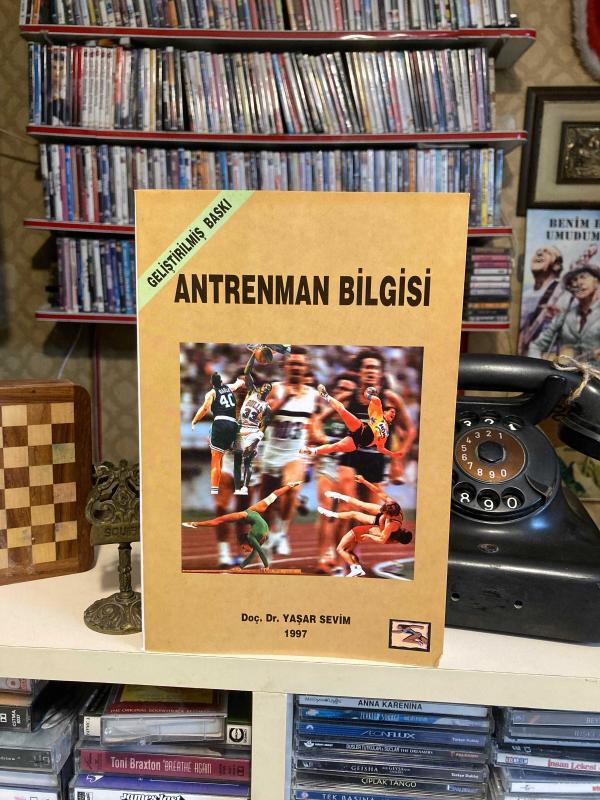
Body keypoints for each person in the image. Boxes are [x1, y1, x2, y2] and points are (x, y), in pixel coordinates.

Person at [260, 346, 321, 555]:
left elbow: (315, 423)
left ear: (306, 368)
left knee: (291, 488)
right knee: (267, 506)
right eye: (292, 363)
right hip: (272, 454)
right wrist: (284, 399)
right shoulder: (273, 389)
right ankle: (269, 537)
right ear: (284, 366)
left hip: (295, 454)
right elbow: (262, 420)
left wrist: (318, 439)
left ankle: (282, 533)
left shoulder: (313, 395)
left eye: (300, 364)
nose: (296, 367)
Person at [184, 481, 302, 570]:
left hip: (244, 515)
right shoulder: (256, 540)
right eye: (244, 549)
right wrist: (243, 567)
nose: (244, 550)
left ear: (246, 542)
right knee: (272, 497)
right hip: (253, 513)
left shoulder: (252, 537)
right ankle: (195, 523)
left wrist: (264, 566)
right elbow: (255, 553)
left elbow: (259, 553)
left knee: (218, 520)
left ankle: (195, 523)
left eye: (243, 548)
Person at [300, 385, 405, 459]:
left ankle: (312, 451)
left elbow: (380, 448)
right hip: (360, 428)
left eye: (394, 414)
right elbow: (371, 398)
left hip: (357, 443)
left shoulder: (385, 434)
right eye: (391, 411)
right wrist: (368, 393)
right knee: (342, 410)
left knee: (335, 447)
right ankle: (325, 395)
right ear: (385, 412)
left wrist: (392, 454)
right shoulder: (378, 413)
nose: (393, 413)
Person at [529, 264, 600, 366]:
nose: (578, 283)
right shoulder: (563, 317)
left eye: (583, 277)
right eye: (574, 280)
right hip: (567, 374)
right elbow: (535, 346)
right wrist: (539, 367)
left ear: (596, 282)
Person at [325, 498, 411, 578]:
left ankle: (354, 568)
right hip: (362, 532)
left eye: (404, 530)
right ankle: (358, 569)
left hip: (359, 531)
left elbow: (381, 537)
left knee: (340, 549)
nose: (404, 529)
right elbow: (383, 537)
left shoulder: (389, 527)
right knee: (348, 551)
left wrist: (369, 535)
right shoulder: (391, 536)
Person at [191, 371, 245, 495]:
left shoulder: (212, 393)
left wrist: (195, 421)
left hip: (221, 424)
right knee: (236, 456)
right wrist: (242, 381)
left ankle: (215, 489)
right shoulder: (229, 389)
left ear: (212, 383)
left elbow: (205, 408)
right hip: (233, 426)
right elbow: (239, 383)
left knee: (216, 460)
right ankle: (236, 486)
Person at [519, 245, 565, 355]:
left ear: (557, 265)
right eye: (537, 251)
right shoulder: (525, 295)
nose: (539, 253)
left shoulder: (562, 292)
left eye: (546, 252)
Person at [233, 382, 272, 496]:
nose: (265, 388)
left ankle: (245, 487)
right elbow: (247, 373)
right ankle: (237, 487)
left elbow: (263, 429)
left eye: (268, 388)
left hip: (253, 434)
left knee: (248, 462)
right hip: (241, 432)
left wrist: (253, 445)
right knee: (237, 461)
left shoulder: (266, 408)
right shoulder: (250, 395)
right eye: (264, 386)